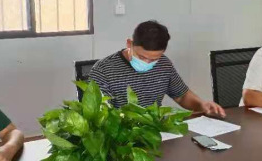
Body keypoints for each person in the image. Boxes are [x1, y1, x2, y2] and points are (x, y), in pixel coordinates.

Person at [89, 20, 225, 116]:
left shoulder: (164, 64)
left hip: (155, 132)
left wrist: (201, 105)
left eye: (154, 59)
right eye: (141, 57)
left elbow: (182, 96)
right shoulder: (103, 70)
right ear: (129, 44)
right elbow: (97, 114)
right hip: (119, 136)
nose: (147, 62)